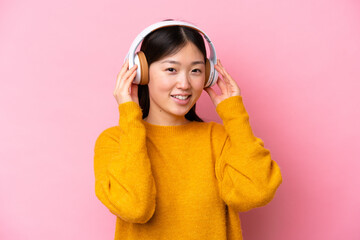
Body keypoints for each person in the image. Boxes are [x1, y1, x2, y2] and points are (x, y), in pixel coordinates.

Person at [93, 20, 282, 240]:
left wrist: (234, 114)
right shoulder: (115, 141)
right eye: (171, 69)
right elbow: (135, 208)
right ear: (141, 73)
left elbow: (255, 193)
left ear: (208, 75)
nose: (184, 83)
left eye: (195, 71)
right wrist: (129, 114)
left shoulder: (218, 139)